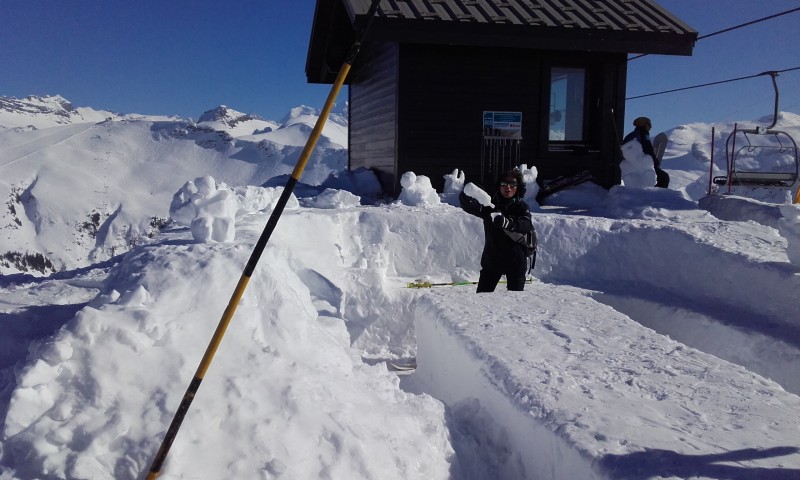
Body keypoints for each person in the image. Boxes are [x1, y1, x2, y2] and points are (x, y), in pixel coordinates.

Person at [459, 168, 534, 292]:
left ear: (518, 187)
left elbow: (526, 224)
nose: (507, 188)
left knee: (515, 304)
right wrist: (466, 194)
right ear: (499, 186)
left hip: (516, 262)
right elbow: (470, 207)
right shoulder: (490, 206)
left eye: (512, 184)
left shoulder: (521, 207)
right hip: (492, 260)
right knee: (482, 300)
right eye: (504, 184)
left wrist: (508, 223)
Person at [623, 116, 670, 188]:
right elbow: (647, 148)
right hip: (640, 164)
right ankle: (656, 196)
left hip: (629, 164)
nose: (650, 128)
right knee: (664, 177)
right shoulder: (643, 133)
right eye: (649, 125)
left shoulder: (631, 135)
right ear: (644, 124)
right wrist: (655, 161)